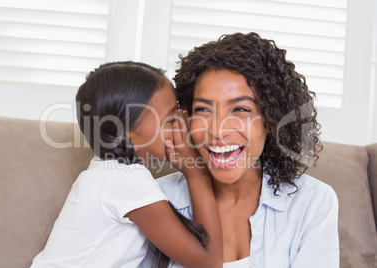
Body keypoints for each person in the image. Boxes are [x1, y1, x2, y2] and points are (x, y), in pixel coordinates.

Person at [140, 32, 339, 267]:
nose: (219, 131)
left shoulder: (311, 202)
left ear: (271, 120)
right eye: (203, 109)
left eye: (241, 110)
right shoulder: (155, 200)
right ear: (185, 117)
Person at [30, 61, 223, 268]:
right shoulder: (125, 179)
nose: (182, 123)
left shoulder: (109, 172)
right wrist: (195, 171)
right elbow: (208, 262)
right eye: (171, 116)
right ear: (130, 134)